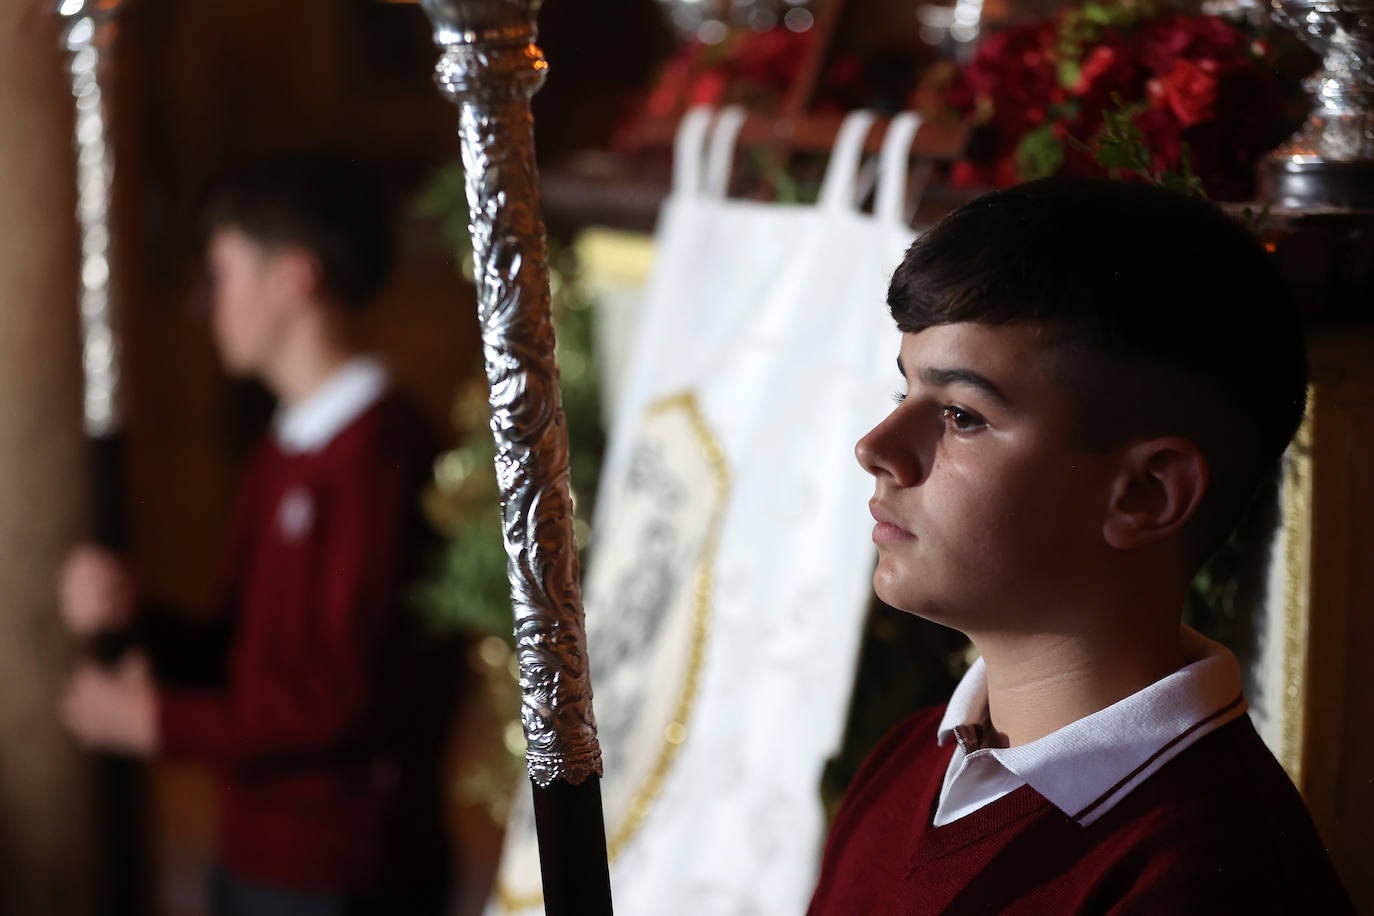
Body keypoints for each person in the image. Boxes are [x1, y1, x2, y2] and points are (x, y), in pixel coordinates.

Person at [808, 177, 1353, 914]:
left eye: (962, 415)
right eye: (902, 393)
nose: (876, 448)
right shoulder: (910, 763)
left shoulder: (1203, 873)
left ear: (1146, 494)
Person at [59, 152, 455, 915]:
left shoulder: (378, 454)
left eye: (223, 273)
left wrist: (156, 722)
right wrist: (135, 617)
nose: (207, 306)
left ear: (293, 279)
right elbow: (247, 658)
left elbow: (334, 698)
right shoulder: (286, 445)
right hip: (256, 845)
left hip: (338, 866)